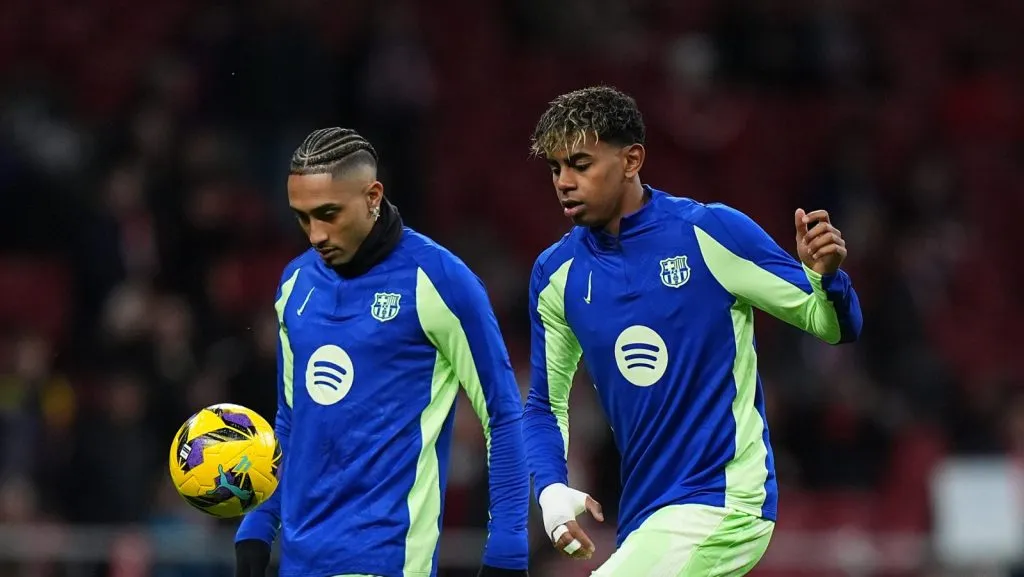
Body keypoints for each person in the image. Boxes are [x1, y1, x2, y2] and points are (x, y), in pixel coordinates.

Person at [521, 86, 863, 576]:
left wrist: (825, 277)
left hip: (724, 501)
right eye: (556, 169)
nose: (564, 183)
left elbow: (829, 325)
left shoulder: (709, 233)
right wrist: (552, 492)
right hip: (646, 516)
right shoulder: (556, 275)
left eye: (580, 164)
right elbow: (545, 406)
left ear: (632, 159)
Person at [234, 128, 531, 577]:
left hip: (389, 558)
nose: (315, 234)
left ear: (373, 196)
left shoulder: (440, 281)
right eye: (302, 217)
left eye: (328, 214)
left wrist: (508, 547)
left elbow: (503, 414)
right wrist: (257, 524)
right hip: (300, 561)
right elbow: (292, 419)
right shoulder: (295, 286)